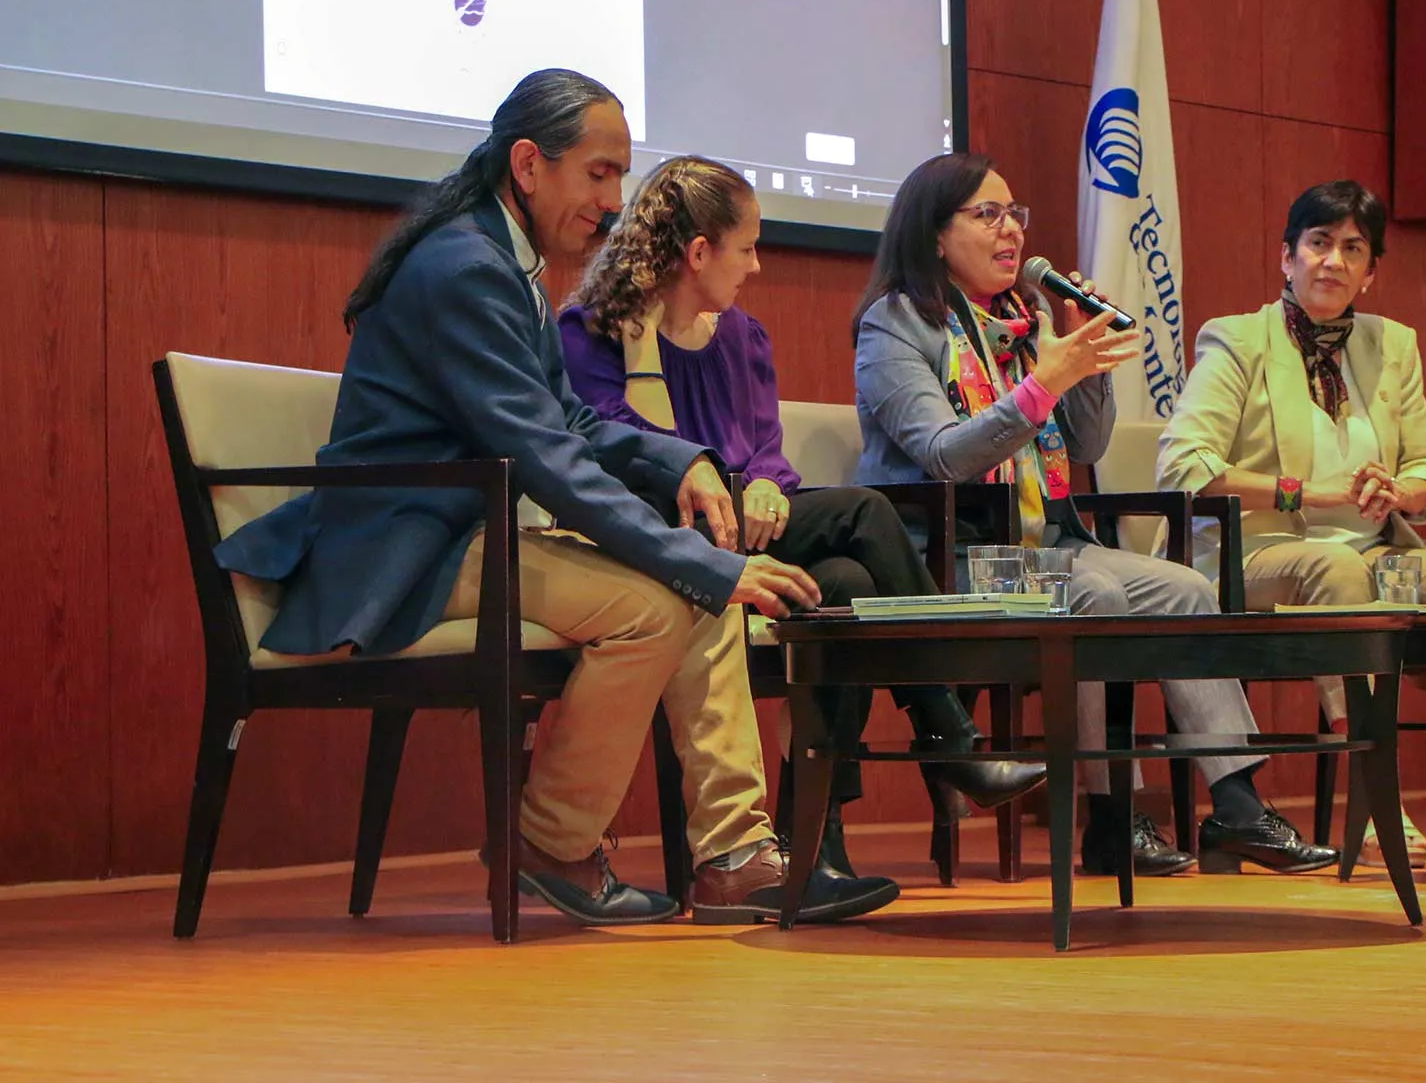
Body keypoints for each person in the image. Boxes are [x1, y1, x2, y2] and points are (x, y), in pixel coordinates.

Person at [211, 69, 899, 926]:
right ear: (530, 164)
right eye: (599, 173)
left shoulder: (501, 257)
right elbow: (544, 456)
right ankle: (553, 842)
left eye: (620, 177)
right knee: (667, 598)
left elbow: (567, 417)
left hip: (463, 525)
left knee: (692, 580)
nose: (615, 201)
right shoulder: (465, 268)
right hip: (404, 543)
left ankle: (732, 858)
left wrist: (677, 459)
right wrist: (704, 563)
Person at [849, 151, 1338, 877]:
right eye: (987, 215)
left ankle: (1237, 806)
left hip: (1045, 543)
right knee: (1095, 596)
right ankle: (1111, 819)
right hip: (955, 555)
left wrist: (1083, 364)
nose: (1010, 229)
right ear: (934, 234)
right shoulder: (895, 326)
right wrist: (1047, 380)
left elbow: (1087, 443)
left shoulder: (1025, 319)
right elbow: (947, 456)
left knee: (1185, 589)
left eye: (1015, 213)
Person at [557, 155, 1047, 876]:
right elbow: (611, 447)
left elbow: (767, 454)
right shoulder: (592, 332)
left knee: (845, 582)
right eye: (747, 248)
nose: (756, 267)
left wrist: (766, 488)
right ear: (699, 253)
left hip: (746, 526)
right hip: (658, 535)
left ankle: (819, 840)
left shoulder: (743, 339)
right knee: (867, 514)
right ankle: (947, 736)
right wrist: (721, 475)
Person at [1156, 179, 1426, 868]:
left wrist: (1401, 491)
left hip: (1372, 554)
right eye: (1318, 243)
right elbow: (1185, 467)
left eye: (1352, 249)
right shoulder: (1237, 340)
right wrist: (1309, 495)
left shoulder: (1393, 345)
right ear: (1287, 258)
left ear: (1370, 271)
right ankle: (1375, 788)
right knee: (1338, 567)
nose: (1333, 261)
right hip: (1251, 558)